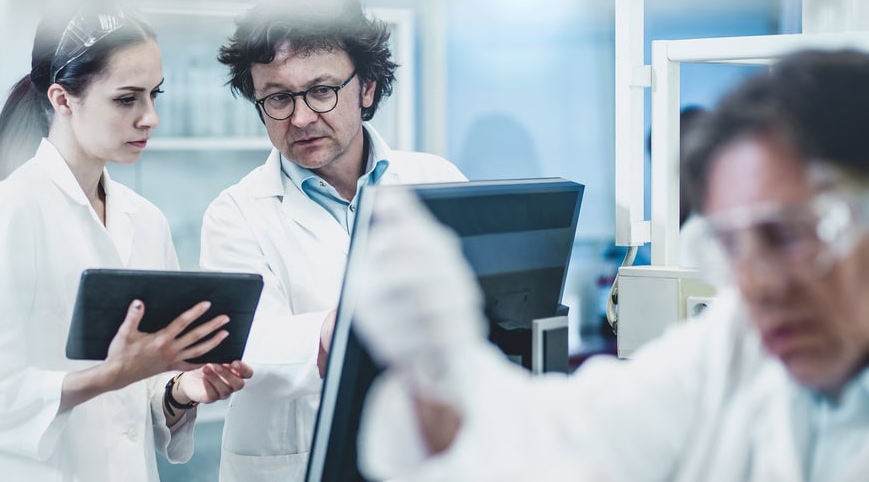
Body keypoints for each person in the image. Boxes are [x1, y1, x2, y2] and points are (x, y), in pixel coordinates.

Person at [350, 49, 869, 481]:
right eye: (731, 247)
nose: (757, 284)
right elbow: (569, 438)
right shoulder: (733, 347)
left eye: (789, 235)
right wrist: (443, 364)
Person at [0, 6, 253, 481]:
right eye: (127, 99)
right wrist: (108, 376)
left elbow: (138, 402)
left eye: (155, 94)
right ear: (63, 99)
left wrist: (183, 390)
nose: (150, 117)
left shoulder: (146, 221)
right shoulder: (2, 215)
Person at [201, 0, 466, 480]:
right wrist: (343, 326)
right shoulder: (235, 213)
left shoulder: (438, 182)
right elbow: (248, 344)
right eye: (278, 97)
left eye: (321, 90)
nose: (300, 118)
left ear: (366, 86)